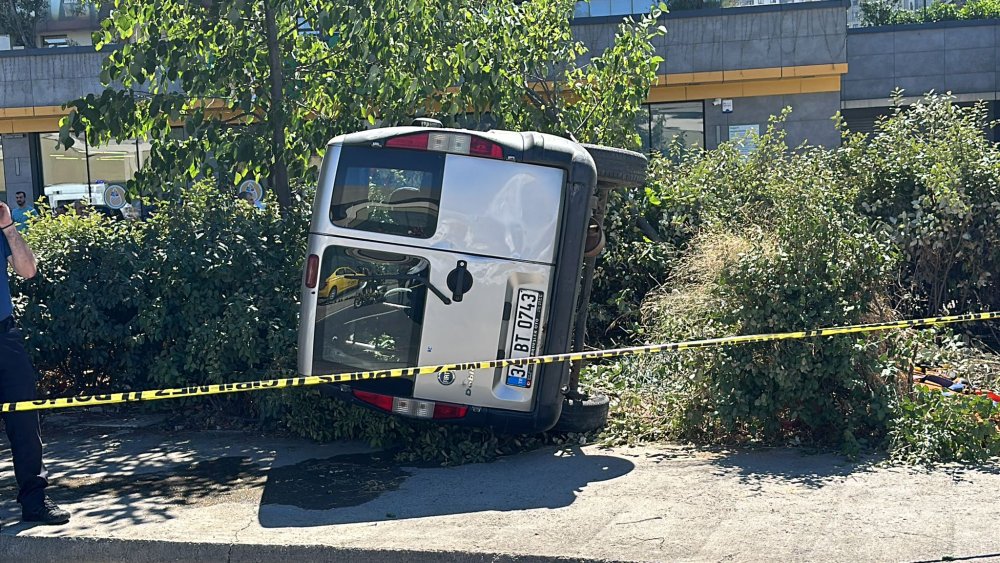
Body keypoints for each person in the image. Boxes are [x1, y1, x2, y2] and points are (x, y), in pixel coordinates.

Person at [0, 201, 70, 525]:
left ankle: (35, 501)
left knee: (24, 420)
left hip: (5, 336)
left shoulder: (1, 228)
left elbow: (28, 270)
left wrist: (8, 227)